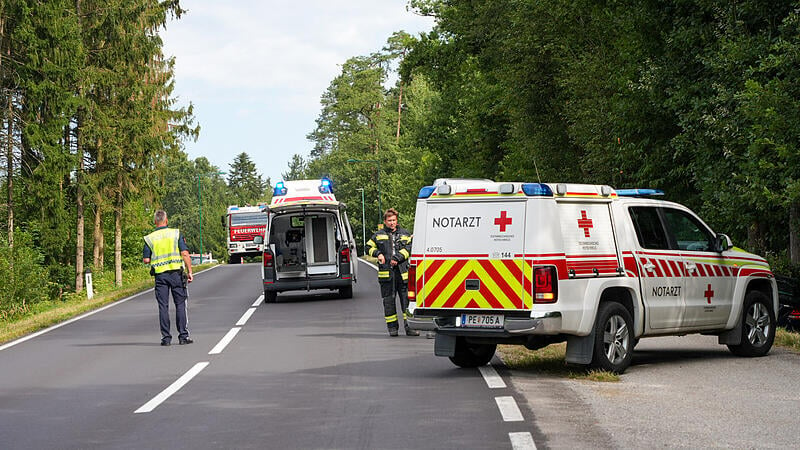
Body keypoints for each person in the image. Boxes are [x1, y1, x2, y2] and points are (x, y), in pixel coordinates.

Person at [142, 209, 194, 346]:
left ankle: (166, 338)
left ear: (155, 221)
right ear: (166, 220)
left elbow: (146, 260)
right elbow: (185, 254)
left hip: (160, 276)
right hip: (176, 274)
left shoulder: (150, 238)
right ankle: (183, 336)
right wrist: (190, 271)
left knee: (163, 306)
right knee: (180, 304)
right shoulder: (176, 234)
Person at [366, 208, 419, 337]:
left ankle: (410, 328)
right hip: (387, 275)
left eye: (394, 220)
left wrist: (398, 258)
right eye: (389, 220)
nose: (392, 223)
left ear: (397, 220)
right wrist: (378, 254)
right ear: (385, 221)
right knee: (389, 302)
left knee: (407, 303)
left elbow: (409, 248)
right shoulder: (379, 235)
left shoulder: (405, 234)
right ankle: (392, 328)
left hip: (403, 274)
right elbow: (368, 247)